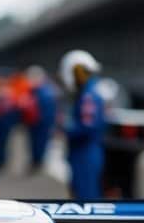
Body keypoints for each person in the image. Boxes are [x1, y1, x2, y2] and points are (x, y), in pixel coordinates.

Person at [59, 49, 106, 199]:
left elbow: (87, 127)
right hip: (84, 152)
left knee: (86, 198)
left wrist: (66, 128)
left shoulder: (88, 96)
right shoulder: (90, 93)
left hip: (85, 153)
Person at [22, 66, 58, 172]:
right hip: (34, 122)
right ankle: (36, 161)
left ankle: (38, 162)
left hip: (41, 123)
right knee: (34, 144)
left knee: (40, 144)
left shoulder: (45, 91)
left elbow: (49, 110)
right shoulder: (35, 91)